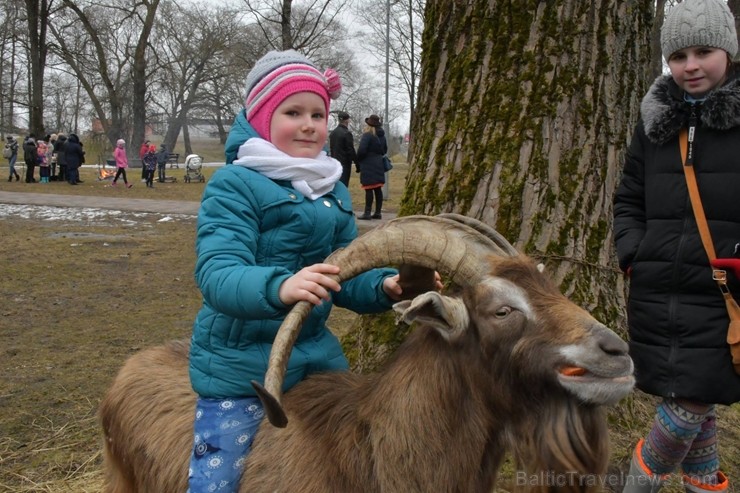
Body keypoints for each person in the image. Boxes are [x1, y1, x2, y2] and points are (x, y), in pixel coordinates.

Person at [187, 49, 417, 493]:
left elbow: (344, 270)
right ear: (262, 119)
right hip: (240, 370)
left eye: (318, 114)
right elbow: (218, 273)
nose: (310, 124)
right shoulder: (235, 184)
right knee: (218, 481)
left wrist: (386, 285)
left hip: (317, 362)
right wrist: (280, 286)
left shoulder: (329, 188)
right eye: (293, 112)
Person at [613, 1, 740, 492]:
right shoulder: (654, 124)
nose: (691, 65)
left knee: (688, 403)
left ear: (727, 49)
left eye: (704, 51)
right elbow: (628, 198)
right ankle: (704, 485)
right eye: (679, 55)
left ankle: (635, 483)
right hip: (656, 292)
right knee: (693, 401)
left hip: (722, 296)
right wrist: (634, 254)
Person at [355, 114, 387, 220]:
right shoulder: (382, 136)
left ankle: (367, 213)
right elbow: (385, 150)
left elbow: (362, 150)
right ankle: (378, 212)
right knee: (378, 188)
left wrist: (359, 159)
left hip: (368, 164)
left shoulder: (367, 135)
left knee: (368, 188)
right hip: (378, 163)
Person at [329, 110, 357, 187]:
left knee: (336, 184)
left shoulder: (333, 133)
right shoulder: (347, 133)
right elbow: (350, 149)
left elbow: (332, 147)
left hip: (334, 161)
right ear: (347, 120)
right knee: (343, 184)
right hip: (345, 163)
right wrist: (357, 163)